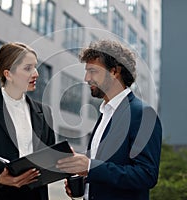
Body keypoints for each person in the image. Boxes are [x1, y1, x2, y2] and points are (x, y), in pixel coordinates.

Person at [56, 40, 162, 200]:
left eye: (92, 71)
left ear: (114, 72)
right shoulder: (105, 113)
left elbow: (146, 175)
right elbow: (107, 166)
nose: (86, 78)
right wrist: (83, 179)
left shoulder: (143, 114)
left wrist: (91, 167)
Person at [0, 42, 55, 200]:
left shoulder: (45, 112)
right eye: (28, 68)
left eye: (35, 67)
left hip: (35, 195)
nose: (36, 73)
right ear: (8, 74)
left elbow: (50, 158)